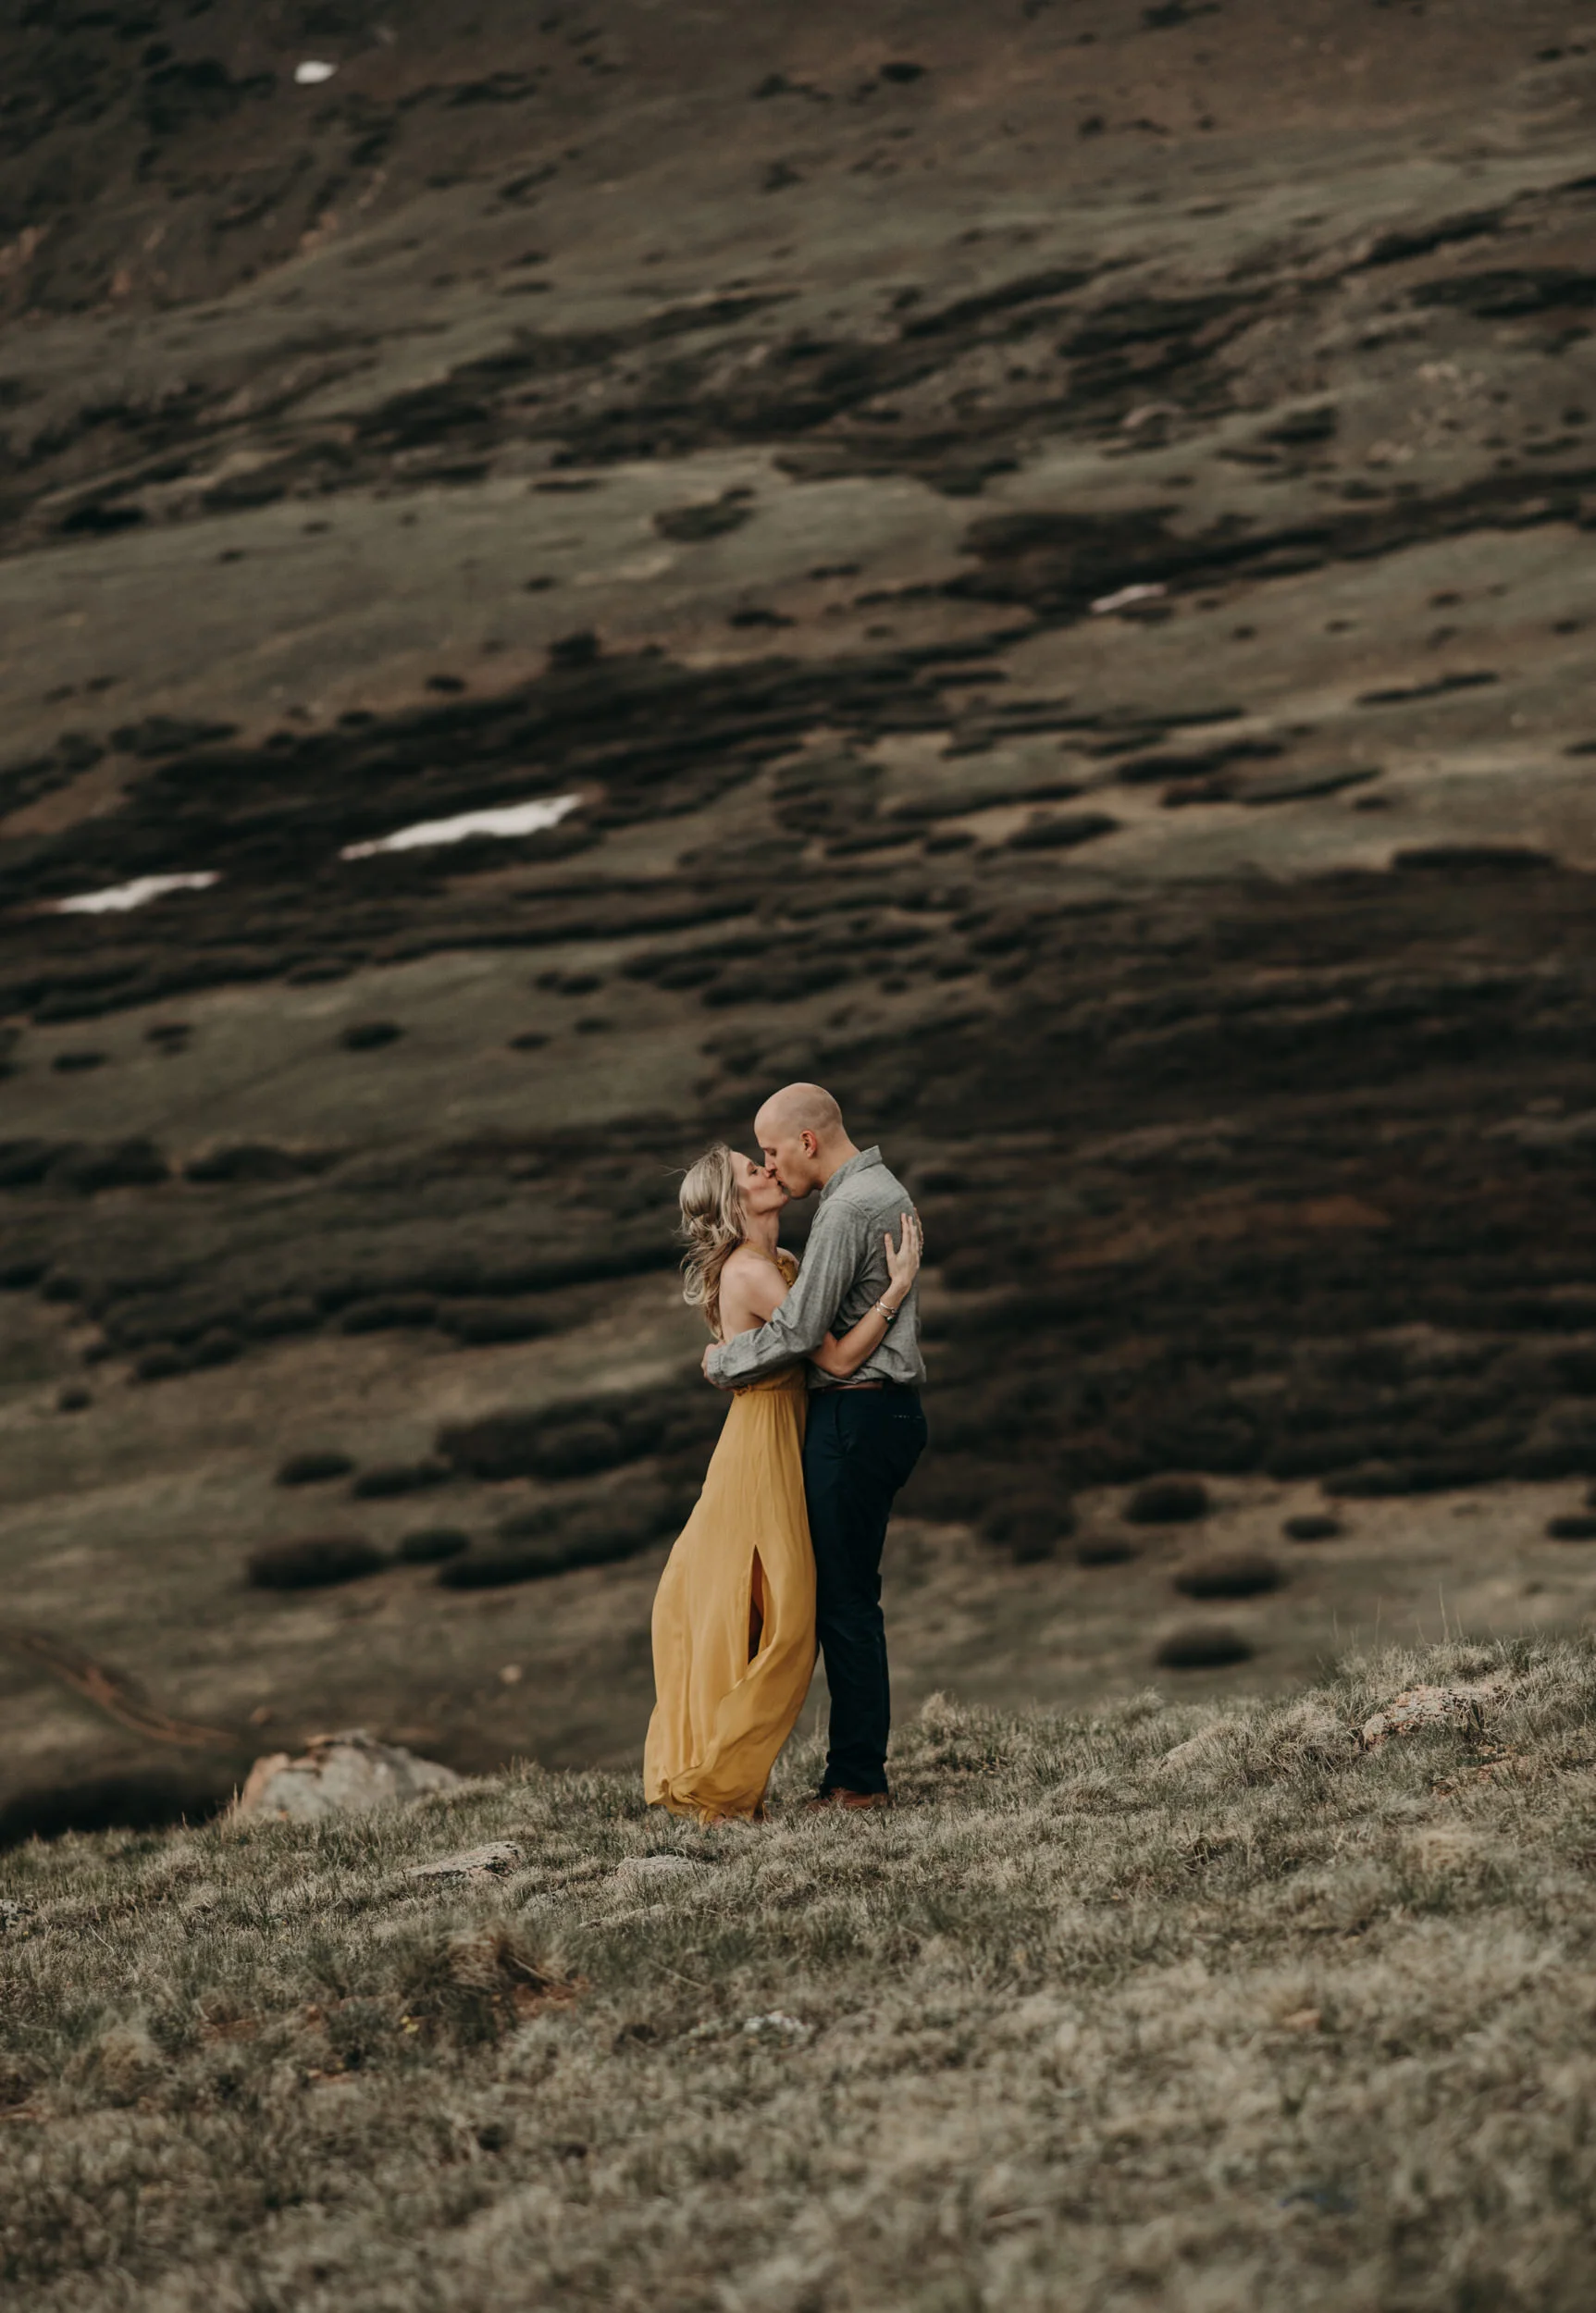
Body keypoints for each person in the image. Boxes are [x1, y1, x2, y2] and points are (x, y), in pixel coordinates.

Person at [645, 1144, 922, 1823]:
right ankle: (720, 1777)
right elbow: (828, 1354)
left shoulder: (782, 1265)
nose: (767, 1169)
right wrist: (893, 1291)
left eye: (764, 1159)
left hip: (782, 1440)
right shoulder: (749, 1272)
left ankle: (738, 1773)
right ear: (734, 1204)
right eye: (751, 1169)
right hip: (759, 1451)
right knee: (773, 1613)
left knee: (778, 1610)